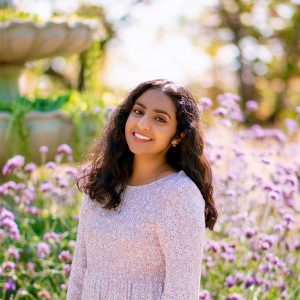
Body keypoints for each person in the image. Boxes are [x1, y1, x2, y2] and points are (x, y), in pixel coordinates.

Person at [66, 79, 218, 300]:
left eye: (159, 119)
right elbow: (80, 270)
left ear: (179, 135)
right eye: (138, 111)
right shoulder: (102, 181)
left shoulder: (179, 195)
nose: (143, 124)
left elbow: (182, 291)